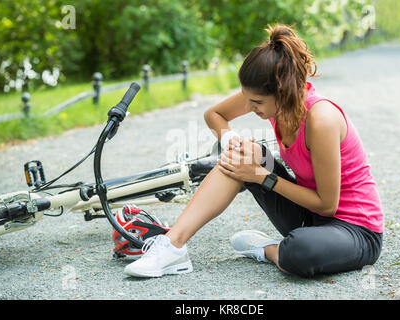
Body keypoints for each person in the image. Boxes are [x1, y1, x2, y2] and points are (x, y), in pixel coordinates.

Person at [123, 24, 384, 278]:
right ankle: (172, 246)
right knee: (241, 156)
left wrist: (261, 176)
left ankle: (268, 249)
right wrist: (231, 141)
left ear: (283, 93)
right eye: (248, 99)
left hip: (355, 231)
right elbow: (214, 114)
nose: (251, 107)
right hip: (307, 217)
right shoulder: (266, 97)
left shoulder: (321, 118)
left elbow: (328, 205)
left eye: (257, 103)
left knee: (299, 251)